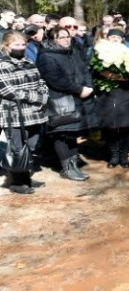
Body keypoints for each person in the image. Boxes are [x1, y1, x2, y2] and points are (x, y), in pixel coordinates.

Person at [36, 27, 97, 181]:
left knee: (71, 133)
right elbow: (55, 79)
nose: (66, 39)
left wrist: (89, 87)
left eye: (68, 36)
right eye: (61, 37)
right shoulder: (46, 56)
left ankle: (73, 164)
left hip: (78, 98)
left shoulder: (73, 52)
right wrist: (79, 89)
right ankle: (67, 168)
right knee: (61, 134)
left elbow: (85, 70)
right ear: (52, 39)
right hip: (60, 100)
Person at [0, 31, 49, 194]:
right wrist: (35, 97)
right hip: (14, 113)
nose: (21, 48)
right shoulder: (2, 64)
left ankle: (25, 176)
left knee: (32, 145)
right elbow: (7, 90)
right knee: (17, 147)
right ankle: (16, 181)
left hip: (35, 112)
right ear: (6, 46)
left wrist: (44, 94)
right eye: (16, 45)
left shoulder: (29, 61)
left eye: (23, 44)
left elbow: (40, 81)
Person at [93, 29, 129, 168]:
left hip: (126, 94)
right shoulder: (99, 54)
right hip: (107, 96)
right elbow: (93, 72)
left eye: (118, 37)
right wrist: (105, 74)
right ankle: (114, 155)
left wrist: (122, 77)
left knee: (126, 127)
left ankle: (124, 155)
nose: (115, 39)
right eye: (112, 36)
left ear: (122, 40)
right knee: (110, 127)